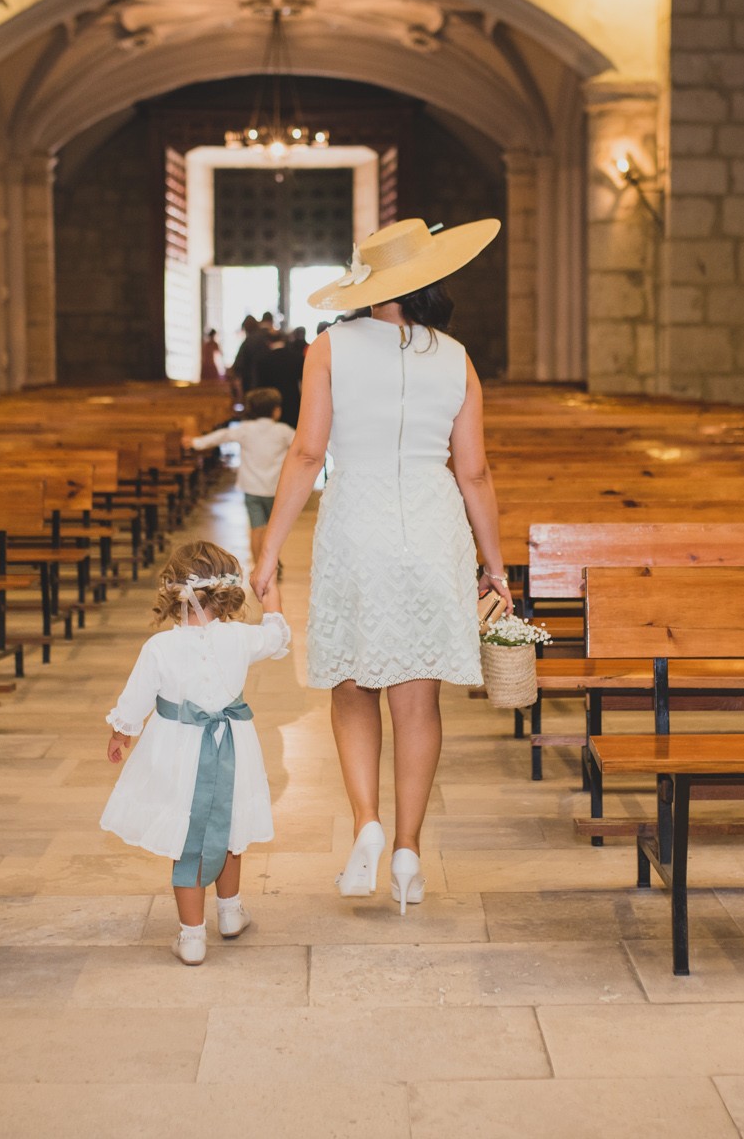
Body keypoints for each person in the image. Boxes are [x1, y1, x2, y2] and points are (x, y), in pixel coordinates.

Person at [251, 218, 512, 915]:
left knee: (350, 680)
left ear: (369, 284)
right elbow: (475, 471)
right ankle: (406, 847)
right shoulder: (456, 357)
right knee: (416, 698)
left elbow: (306, 455)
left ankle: (365, 820)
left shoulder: (330, 348)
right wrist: (496, 567)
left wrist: (269, 548)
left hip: (356, 519)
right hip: (432, 523)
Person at [101, 541, 288, 966]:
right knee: (230, 830)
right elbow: (277, 635)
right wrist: (270, 591)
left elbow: (134, 701)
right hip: (233, 747)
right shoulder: (241, 638)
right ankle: (230, 913)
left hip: (177, 751)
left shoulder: (159, 648)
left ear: (171, 592)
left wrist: (121, 734)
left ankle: (191, 936)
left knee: (188, 839)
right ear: (227, 592)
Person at [189, 387, 295, 567]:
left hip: (251, 488)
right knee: (273, 530)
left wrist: (195, 442)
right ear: (276, 411)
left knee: (256, 529)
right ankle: (271, 562)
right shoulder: (283, 431)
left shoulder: (245, 429)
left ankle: (259, 568)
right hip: (275, 489)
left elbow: (221, 436)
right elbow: (303, 447)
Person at [254, 327, 305, 431]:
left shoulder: (262, 360)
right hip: (293, 402)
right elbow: (302, 384)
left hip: (271, 404)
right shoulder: (297, 357)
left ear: (268, 342)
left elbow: (259, 387)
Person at [230, 315, 269, 394]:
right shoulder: (266, 337)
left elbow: (239, 364)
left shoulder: (248, 342)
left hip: (251, 382)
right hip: (268, 382)